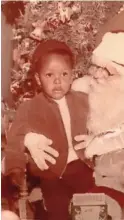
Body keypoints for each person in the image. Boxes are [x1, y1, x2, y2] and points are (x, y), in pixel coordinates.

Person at [5, 39, 95, 220]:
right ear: (38, 79)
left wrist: (96, 138)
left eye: (64, 74)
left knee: (91, 205)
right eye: (49, 75)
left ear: (72, 76)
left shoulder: (83, 100)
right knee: (57, 208)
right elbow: (16, 139)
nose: (57, 81)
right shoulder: (30, 107)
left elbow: (101, 122)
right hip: (52, 173)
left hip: (82, 168)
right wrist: (15, 168)